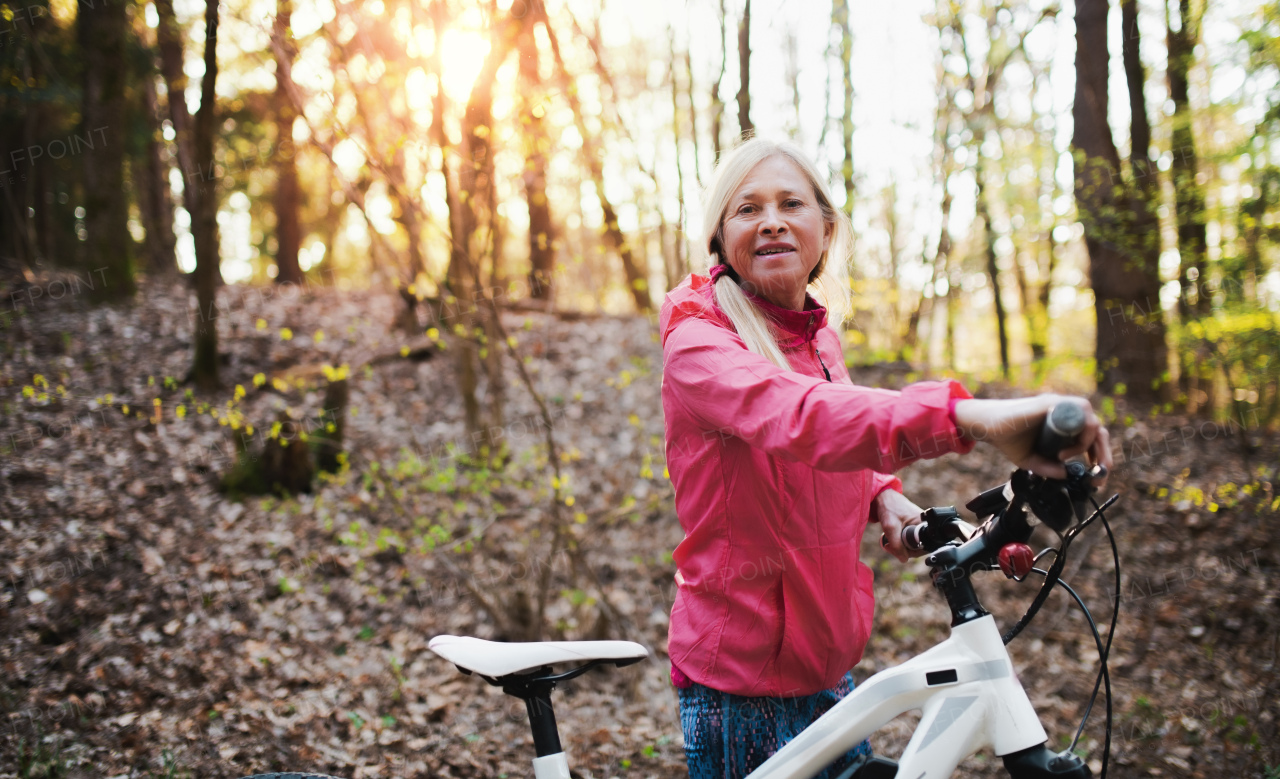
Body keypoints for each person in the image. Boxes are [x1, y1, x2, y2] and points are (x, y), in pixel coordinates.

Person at [659, 137, 1111, 779]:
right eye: (747, 208)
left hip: (826, 658)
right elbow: (797, 415)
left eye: (792, 203)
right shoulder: (699, 344)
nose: (772, 221)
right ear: (719, 237)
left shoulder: (817, 339)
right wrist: (970, 415)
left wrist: (884, 496)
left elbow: (838, 429)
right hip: (739, 682)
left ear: (824, 228)